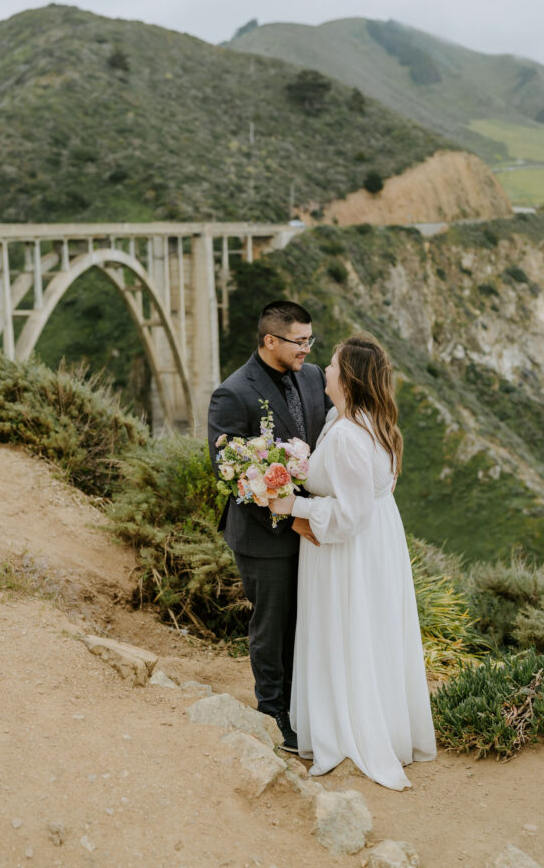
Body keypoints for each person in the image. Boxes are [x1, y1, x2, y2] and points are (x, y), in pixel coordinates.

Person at [269, 334, 437, 789]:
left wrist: (292, 507)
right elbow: (378, 493)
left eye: (332, 365)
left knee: (343, 629)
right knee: (368, 631)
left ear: (348, 377)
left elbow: (349, 516)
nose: (323, 370)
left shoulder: (346, 434)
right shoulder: (366, 422)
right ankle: (376, 718)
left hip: (344, 552)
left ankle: (344, 729)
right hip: (375, 546)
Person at [207, 300, 331, 752]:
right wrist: (288, 515)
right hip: (264, 535)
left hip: (315, 526)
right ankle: (274, 712)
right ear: (270, 341)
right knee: (272, 625)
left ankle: (305, 707)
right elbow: (231, 471)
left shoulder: (315, 376)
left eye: (310, 340)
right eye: (300, 341)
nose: (307, 349)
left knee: (307, 622)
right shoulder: (233, 393)